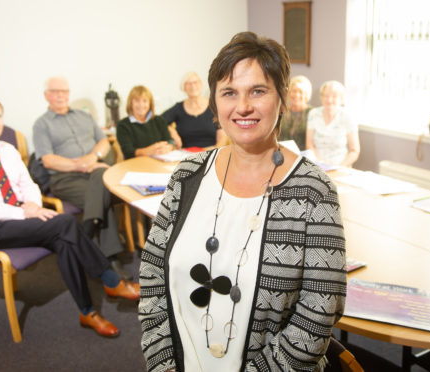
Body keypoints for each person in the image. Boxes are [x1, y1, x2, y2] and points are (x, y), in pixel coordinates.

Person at [139, 32, 347, 371]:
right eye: (229, 92)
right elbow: (151, 276)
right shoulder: (186, 175)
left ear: (282, 98)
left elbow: (318, 315)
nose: (243, 106)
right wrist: (163, 365)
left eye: (258, 91)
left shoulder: (315, 191)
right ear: (214, 102)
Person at [0, 98, 140, 338]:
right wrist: (24, 212)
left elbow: (28, 185)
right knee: (66, 223)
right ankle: (111, 280)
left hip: (24, 218)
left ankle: (87, 312)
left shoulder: (8, 151)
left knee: (65, 240)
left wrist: (34, 206)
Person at [32, 76, 133, 280]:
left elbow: (104, 142)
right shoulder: (41, 124)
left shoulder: (84, 116)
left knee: (100, 180)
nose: (61, 95)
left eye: (64, 91)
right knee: (102, 190)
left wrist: (93, 158)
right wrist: (80, 164)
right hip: (65, 179)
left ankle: (85, 236)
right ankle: (111, 258)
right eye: (55, 91)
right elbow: (48, 160)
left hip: (95, 171)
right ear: (46, 95)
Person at [161, 71, 227, 149]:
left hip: (210, 151)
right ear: (183, 87)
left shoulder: (214, 107)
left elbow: (222, 138)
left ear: (201, 85)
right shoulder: (178, 108)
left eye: (195, 82)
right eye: (188, 83)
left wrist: (214, 154)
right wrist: (172, 132)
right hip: (186, 154)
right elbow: (159, 122)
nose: (193, 86)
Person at [305, 80, 360, 166]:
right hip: (317, 165)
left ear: (341, 99)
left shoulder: (348, 117)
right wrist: (320, 163)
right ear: (321, 97)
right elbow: (310, 144)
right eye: (326, 96)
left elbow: (354, 151)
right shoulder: (313, 114)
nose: (329, 100)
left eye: (334, 96)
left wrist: (339, 166)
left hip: (341, 167)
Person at [116, 85, 175, 159]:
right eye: (137, 100)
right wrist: (148, 150)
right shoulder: (123, 125)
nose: (141, 104)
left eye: (145, 101)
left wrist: (169, 147)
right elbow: (128, 152)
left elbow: (170, 141)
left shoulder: (159, 120)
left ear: (150, 104)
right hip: (134, 165)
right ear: (131, 103)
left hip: (159, 162)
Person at [278, 75, 312, 150]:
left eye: (300, 92)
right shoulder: (281, 111)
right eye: (294, 91)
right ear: (289, 93)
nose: (296, 95)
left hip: (303, 156)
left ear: (306, 94)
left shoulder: (312, 113)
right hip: (281, 154)